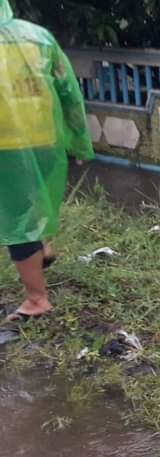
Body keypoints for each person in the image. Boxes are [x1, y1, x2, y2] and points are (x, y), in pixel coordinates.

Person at [0, 0, 93, 324]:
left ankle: (37, 299)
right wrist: (80, 143)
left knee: (16, 225)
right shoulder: (38, 37)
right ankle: (42, 246)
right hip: (45, 142)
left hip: (6, 149)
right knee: (31, 206)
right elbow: (69, 92)